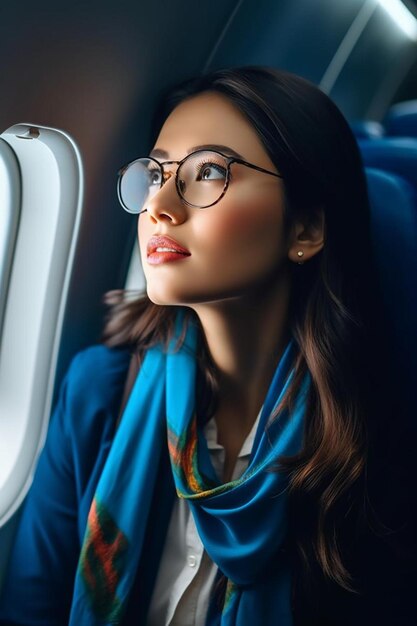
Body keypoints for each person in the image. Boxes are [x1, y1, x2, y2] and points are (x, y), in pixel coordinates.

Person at [0, 66, 414, 626]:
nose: (160, 207)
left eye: (209, 171)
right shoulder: (98, 389)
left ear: (306, 230)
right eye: (156, 173)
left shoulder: (372, 438)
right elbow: (31, 609)